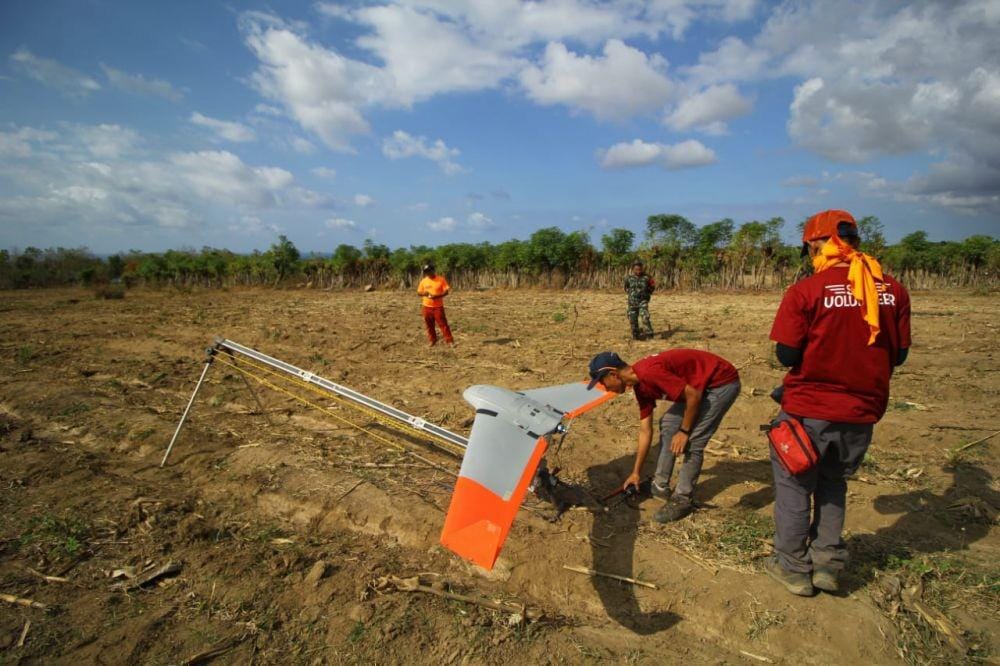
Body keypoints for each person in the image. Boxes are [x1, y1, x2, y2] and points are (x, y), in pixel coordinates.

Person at [765, 209, 911, 596]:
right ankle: (827, 565)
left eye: (809, 246)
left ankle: (794, 569)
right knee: (833, 484)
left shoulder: (807, 291)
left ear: (818, 243)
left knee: (795, 487)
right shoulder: (893, 290)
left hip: (808, 411)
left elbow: (787, 355)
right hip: (861, 413)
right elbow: (899, 356)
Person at [587, 348, 741, 522]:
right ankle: (659, 485)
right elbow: (645, 431)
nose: (605, 387)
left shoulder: (649, 373)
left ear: (614, 374)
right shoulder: (640, 386)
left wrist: (684, 431)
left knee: (694, 440)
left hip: (720, 383)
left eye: (602, 381)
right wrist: (636, 472)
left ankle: (683, 499)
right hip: (698, 387)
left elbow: (693, 396)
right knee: (668, 424)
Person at [417, 263, 454, 346]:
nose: (427, 273)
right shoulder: (423, 281)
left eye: (429, 271)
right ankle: (432, 340)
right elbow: (419, 292)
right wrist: (424, 293)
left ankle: (450, 341)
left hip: (438, 307)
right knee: (429, 325)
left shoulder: (441, 279)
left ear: (433, 270)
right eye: (426, 272)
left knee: (443, 324)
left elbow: (446, 291)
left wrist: (437, 296)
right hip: (426, 307)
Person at [624, 260, 656, 340]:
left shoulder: (647, 277)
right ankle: (636, 335)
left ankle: (649, 335)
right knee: (633, 320)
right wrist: (632, 295)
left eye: (640, 269)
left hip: (642, 301)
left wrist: (647, 294)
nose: (638, 271)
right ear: (633, 269)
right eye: (636, 269)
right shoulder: (628, 278)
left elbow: (652, 287)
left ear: (642, 269)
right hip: (632, 303)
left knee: (645, 317)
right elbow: (626, 288)